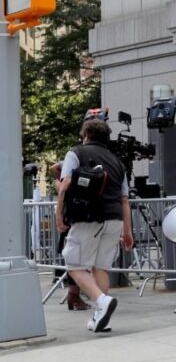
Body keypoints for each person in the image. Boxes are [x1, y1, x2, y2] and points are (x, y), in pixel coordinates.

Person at [55, 114, 134, 333]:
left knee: (75, 265)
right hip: (115, 219)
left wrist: (58, 214)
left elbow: (65, 185)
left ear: (86, 134)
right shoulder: (117, 162)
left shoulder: (76, 152)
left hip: (86, 218)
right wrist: (128, 231)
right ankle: (100, 318)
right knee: (101, 268)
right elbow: (124, 199)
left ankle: (101, 300)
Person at [49, 160, 91, 311]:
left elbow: (54, 168)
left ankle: (74, 295)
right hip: (73, 219)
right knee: (77, 259)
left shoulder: (65, 182)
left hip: (70, 217)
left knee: (76, 258)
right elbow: (54, 167)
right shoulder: (68, 180)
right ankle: (73, 295)